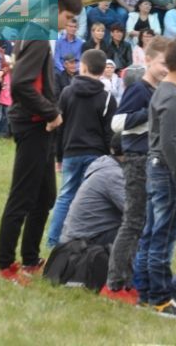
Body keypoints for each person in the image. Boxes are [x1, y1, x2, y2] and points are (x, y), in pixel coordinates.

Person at [0, 0, 82, 284]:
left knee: (45, 195)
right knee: (21, 197)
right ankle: (6, 265)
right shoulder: (36, 35)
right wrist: (51, 112)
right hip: (32, 124)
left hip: (39, 124)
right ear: (55, 10)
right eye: (67, 16)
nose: (67, 23)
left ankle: (31, 259)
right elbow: (21, 84)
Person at [132, 37, 176, 318]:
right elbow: (169, 141)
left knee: (152, 233)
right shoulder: (172, 95)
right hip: (169, 172)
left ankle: (146, 293)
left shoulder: (169, 91)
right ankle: (161, 298)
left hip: (161, 169)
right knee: (164, 235)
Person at [101, 36, 169, 304]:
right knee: (132, 222)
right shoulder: (140, 90)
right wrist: (151, 115)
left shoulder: (159, 91)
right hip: (136, 161)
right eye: (163, 63)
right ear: (148, 60)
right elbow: (118, 123)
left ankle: (131, 280)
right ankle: (115, 285)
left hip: (152, 160)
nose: (167, 68)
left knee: (142, 223)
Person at [46, 49, 117, 248]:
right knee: (91, 200)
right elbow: (109, 133)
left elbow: (61, 127)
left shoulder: (67, 92)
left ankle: (53, 241)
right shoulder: (107, 98)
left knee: (66, 196)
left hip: (71, 152)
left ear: (82, 67)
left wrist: (59, 156)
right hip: (96, 156)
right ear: (103, 70)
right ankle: (85, 242)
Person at [61, 141, 125, 246]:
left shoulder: (106, 166)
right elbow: (136, 212)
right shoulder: (113, 174)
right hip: (82, 247)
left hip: (77, 241)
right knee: (134, 231)